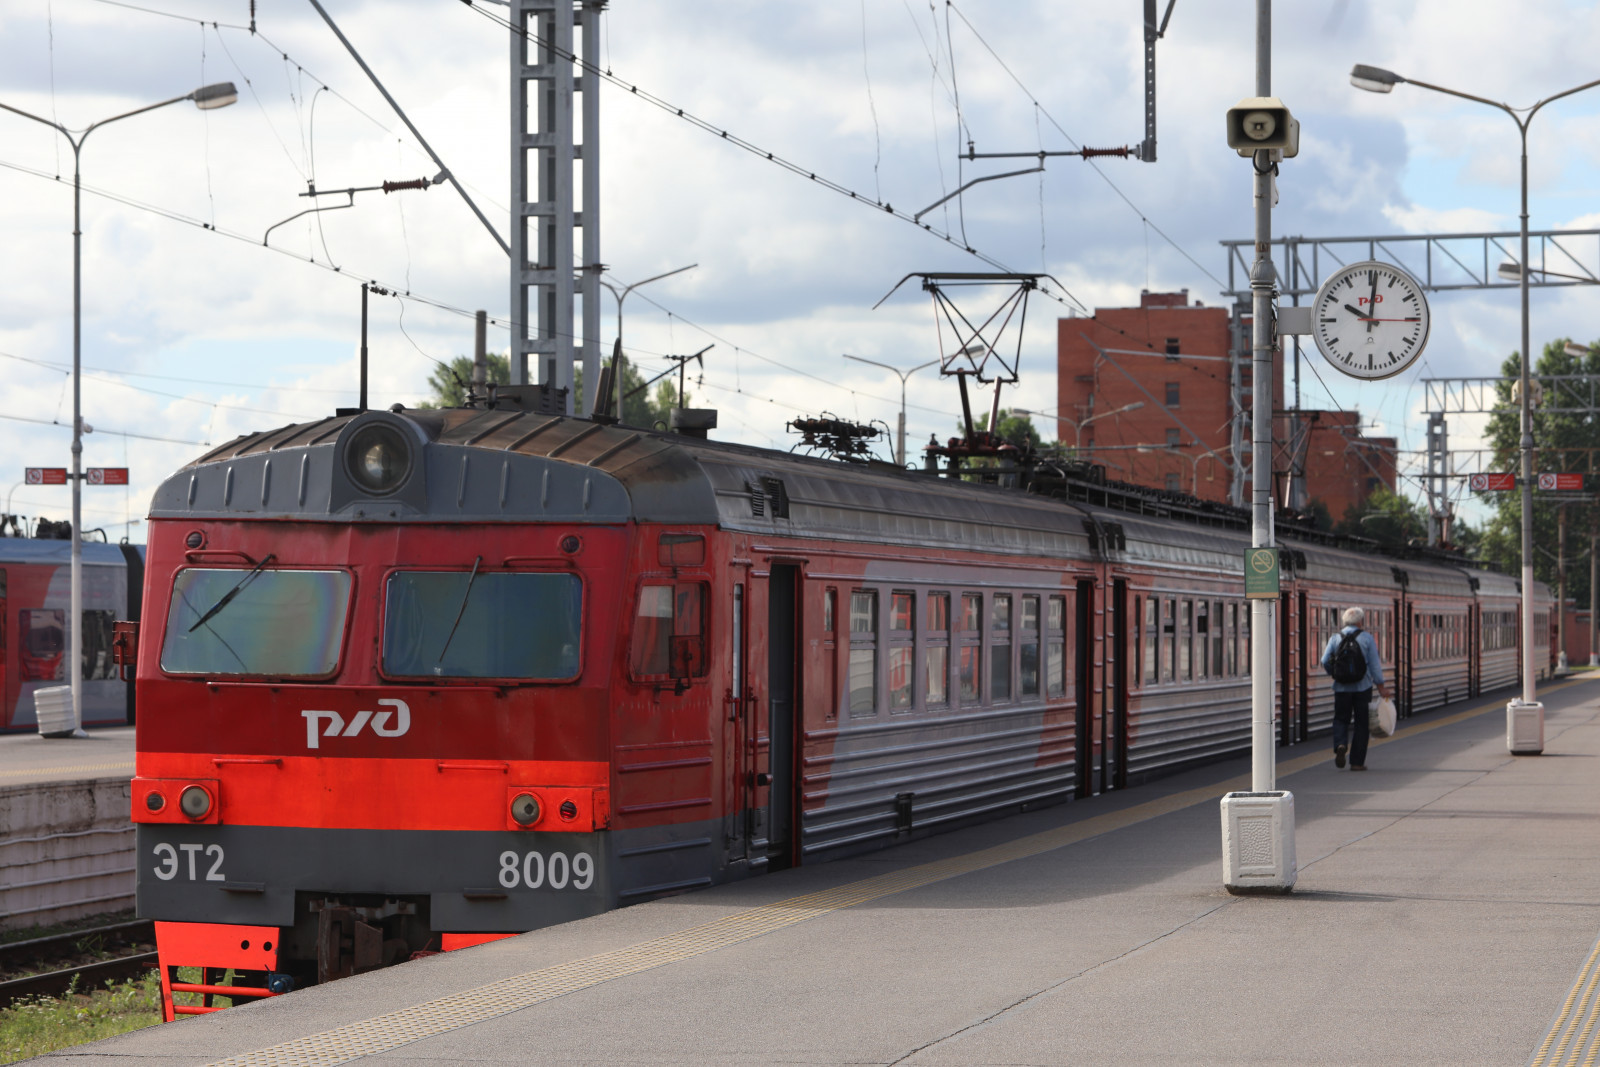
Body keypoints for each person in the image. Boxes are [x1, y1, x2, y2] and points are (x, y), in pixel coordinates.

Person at [1320, 606, 1390, 771]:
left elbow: (1324, 660)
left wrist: (1335, 674)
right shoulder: (1366, 638)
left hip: (1341, 687)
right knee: (1361, 724)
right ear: (1360, 621)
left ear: (1345, 621)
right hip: (1362, 687)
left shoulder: (1335, 638)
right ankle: (1357, 762)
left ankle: (1340, 745)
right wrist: (1381, 687)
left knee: (1340, 719)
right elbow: (1374, 665)